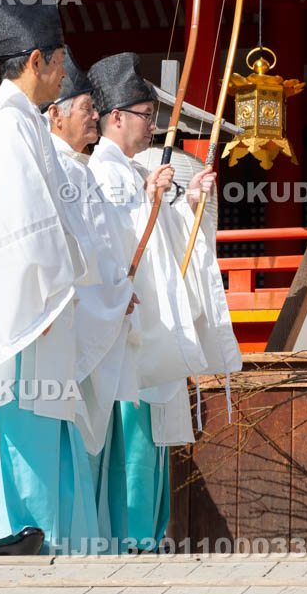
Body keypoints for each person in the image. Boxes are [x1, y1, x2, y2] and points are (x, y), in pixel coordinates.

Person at [0, 1, 107, 556]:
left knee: (42, 425)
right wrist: (70, 268)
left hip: (33, 309)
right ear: (36, 60)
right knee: (15, 426)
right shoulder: (3, 127)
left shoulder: (17, 121)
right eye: (58, 64)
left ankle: (42, 538)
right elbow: (22, 231)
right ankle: (6, 534)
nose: (61, 76)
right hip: (12, 317)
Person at [87, 52, 241, 550]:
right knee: (131, 435)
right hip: (128, 329)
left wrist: (188, 201)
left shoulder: (130, 170)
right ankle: (129, 538)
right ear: (115, 118)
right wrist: (152, 201)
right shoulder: (104, 171)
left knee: (149, 437)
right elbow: (115, 243)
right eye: (145, 116)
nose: (152, 126)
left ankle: (147, 536)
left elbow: (163, 234)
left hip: (145, 328)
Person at [43, 51, 140, 553]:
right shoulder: (54, 169)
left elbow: (102, 249)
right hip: (71, 318)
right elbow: (70, 254)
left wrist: (118, 292)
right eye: (83, 106)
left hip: (99, 310)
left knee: (88, 435)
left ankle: (87, 537)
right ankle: (68, 538)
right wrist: (109, 296)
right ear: (55, 113)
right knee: (70, 429)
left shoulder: (79, 169)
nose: (91, 115)